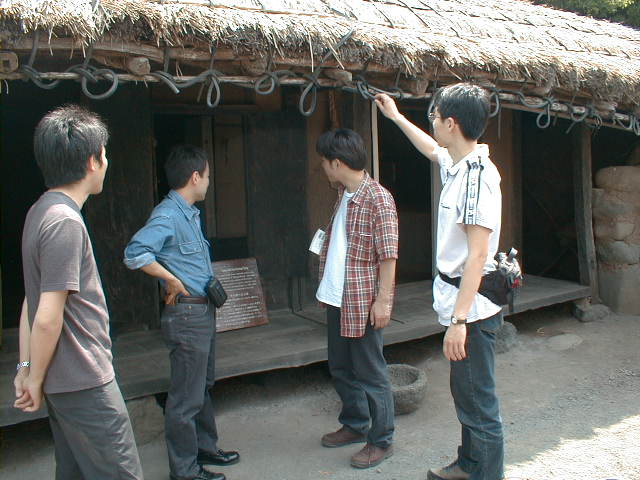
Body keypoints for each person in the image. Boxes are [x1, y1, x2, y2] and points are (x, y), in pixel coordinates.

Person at [375, 84, 504, 480]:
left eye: (434, 116)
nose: (431, 122)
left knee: (478, 401)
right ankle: (469, 465)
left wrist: (459, 322)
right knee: (466, 393)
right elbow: (432, 150)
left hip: (472, 310)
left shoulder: (478, 178)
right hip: (460, 303)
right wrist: (396, 117)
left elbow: (478, 255)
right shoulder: (458, 163)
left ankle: (485, 472)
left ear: (452, 123)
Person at [14, 105, 144, 479]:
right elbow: (46, 316)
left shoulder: (40, 211)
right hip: (85, 380)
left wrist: (27, 368)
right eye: (104, 154)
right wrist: (32, 377)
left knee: (74, 472)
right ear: (92, 161)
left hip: (64, 383)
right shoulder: (64, 221)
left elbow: (29, 302)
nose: (107, 162)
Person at [124, 145, 238, 480]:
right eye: (208, 176)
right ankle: (185, 471)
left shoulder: (188, 213)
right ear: (195, 177)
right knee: (185, 397)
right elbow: (135, 253)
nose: (209, 182)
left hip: (202, 311)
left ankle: (205, 448)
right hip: (187, 316)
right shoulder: (168, 215)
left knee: (201, 385)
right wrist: (171, 279)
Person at [315, 129, 399, 469]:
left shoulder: (378, 198)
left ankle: (381, 440)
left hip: (362, 301)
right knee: (340, 367)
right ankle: (355, 423)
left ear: (337, 163)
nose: (322, 168)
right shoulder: (344, 193)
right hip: (338, 297)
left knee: (371, 373)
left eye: (324, 162)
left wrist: (383, 301)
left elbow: (389, 255)